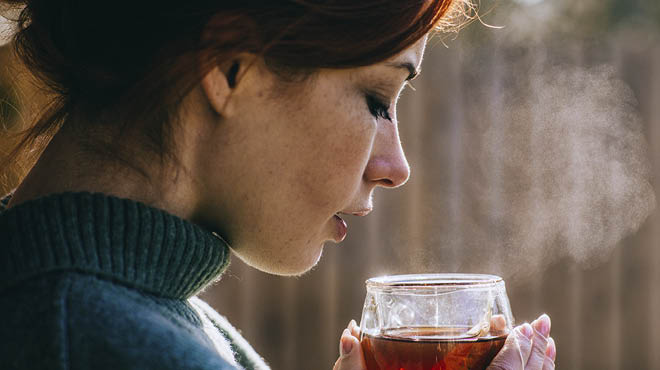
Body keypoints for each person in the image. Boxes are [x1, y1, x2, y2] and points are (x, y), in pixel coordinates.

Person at [0, 1, 556, 369]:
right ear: (231, 68)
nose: (396, 166)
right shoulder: (90, 342)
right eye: (377, 101)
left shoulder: (154, 318)